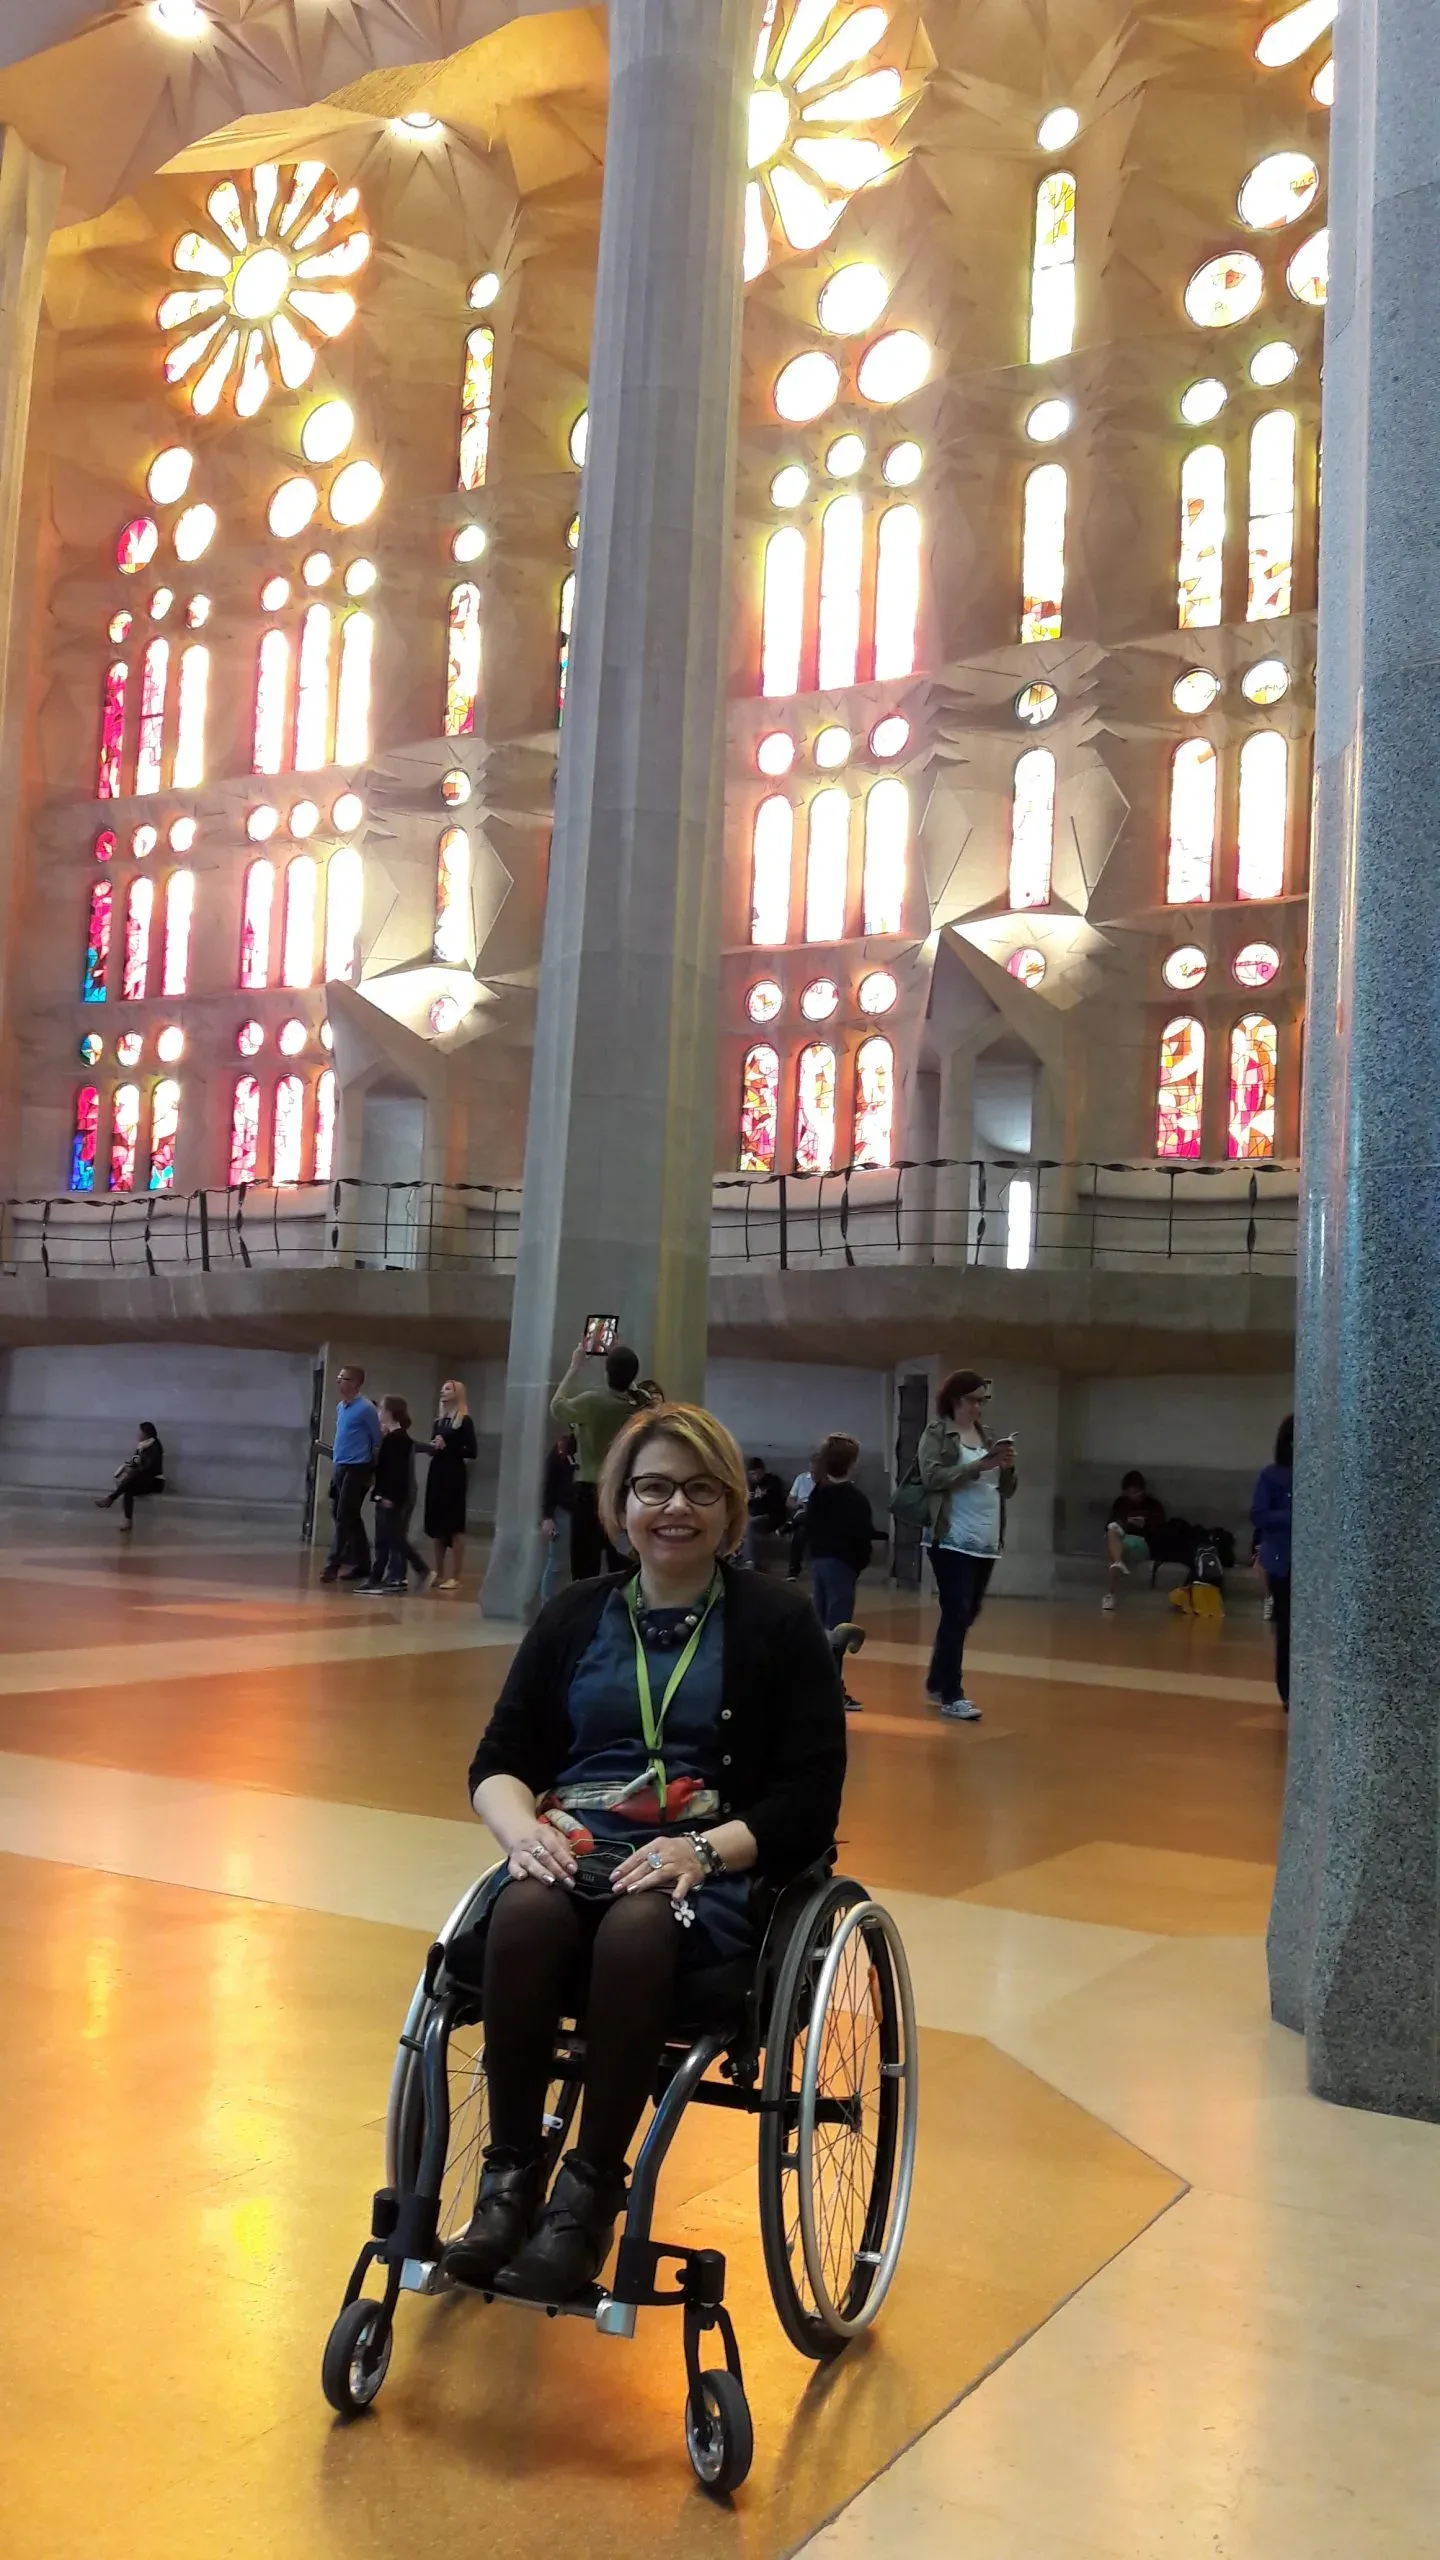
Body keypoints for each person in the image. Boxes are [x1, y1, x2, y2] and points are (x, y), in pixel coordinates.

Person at [443, 1401, 846, 2303]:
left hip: (706, 1857)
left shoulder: (779, 1622)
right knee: (525, 1913)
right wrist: (522, 1833)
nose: (675, 1508)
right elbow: (500, 1760)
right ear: (620, 1503)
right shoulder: (573, 1615)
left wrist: (700, 1851)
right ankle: (510, 2179)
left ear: (731, 1507)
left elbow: (809, 1799)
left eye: (701, 1491)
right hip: (576, 1840)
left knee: (636, 1929)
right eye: (653, 1488)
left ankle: (587, 2198)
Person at [916, 1371, 1017, 1723]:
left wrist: (1006, 1467)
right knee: (956, 1612)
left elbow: (1007, 1489)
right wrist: (979, 1465)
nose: (978, 1407)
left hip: (986, 1538)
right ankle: (952, 1693)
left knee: (967, 1613)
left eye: (982, 1401)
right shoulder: (937, 1433)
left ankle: (937, 1678)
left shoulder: (987, 1435)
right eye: (973, 1399)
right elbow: (932, 1477)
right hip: (951, 1537)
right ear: (955, 1399)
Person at [551, 1337, 646, 1580]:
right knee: (621, 1565)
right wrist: (623, 1366)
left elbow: (557, 1406)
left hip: (590, 1491)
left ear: (607, 1372)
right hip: (622, 1494)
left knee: (584, 1568)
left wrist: (575, 1366)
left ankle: (586, 1605)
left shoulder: (593, 1402)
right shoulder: (641, 1407)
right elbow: (639, 1394)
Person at [803, 1435, 877, 1711]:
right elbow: (862, 1537)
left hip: (820, 1563)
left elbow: (809, 1528)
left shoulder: (818, 1493)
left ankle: (815, 1687)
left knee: (820, 1629)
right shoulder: (854, 1499)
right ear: (851, 1463)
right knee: (838, 1631)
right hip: (842, 1567)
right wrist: (858, 1563)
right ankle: (833, 1690)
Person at [357, 1397, 431, 1594]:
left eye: (381, 1408)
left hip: (390, 1496)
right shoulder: (394, 1438)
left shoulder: (396, 1439)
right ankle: (376, 1579)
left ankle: (419, 1568)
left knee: (393, 1537)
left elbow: (395, 1472)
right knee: (385, 1538)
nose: (378, 1412)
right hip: (387, 1494)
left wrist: (388, 1495)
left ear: (390, 1412)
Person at [320, 1364, 382, 1583]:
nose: (339, 1382)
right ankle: (363, 1564)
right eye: (338, 1378)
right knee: (348, 1515)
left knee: (344, 1516)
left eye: (343, 1378)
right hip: (341, 1465)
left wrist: (372, 1471)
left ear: (355, 1383)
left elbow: (377, 1440)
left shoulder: (366, 1408)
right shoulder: (341, 1407)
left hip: (358, 1467)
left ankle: (332, 1566)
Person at [1251, 1414, 1293, 1709]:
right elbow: (1259, 1514)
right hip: (1283, 1561)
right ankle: (1288, 1692)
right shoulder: (1272, 1475)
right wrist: (1292, 1514)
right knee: (1286, 1630)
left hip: (1315, 1565)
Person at [425, 1379, 478, 1589]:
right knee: (437, 1524)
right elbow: (435, 1446)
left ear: (457, 1394)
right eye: (442, 1389)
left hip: (454, 1474)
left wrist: (448, 1447)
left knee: (454, 1524)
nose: (443, 1392)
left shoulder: (464, 1421)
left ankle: (455, 1575)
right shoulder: (438, 1422)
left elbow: (472, 1451)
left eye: (448, 1389)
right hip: (437, 1472)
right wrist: (432, 1447)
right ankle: (438, 1572)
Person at [1103, 1470, 1167, 1611]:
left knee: (1115, 1551)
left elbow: (1161, 1530)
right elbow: (1108, 1524)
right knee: (1112, 1531)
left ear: (1143, 1490)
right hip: (1119, 1536)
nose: (1133, 1496)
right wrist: (1126, 1522)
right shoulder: (1120, 1503)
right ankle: (1117, 1565)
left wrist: (1145, 1524)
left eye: (1136, 1492)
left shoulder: (1153, 1506)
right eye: (1130, 1492)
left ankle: (1110, 1593)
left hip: (1140, 1541)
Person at [95, 1422, 164, 1530]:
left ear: (146, 1433)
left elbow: (150, 1467)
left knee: (134, 1474)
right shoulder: (141, 1446)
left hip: (155, 1482)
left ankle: (110, 1498)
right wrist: (125, 1467)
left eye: (140, 1432)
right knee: (128, 1490)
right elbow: (134, 1462)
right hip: (143, 1480)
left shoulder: (155, 1446)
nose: (138, 1434)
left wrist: (135, 1469)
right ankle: (128, 1522)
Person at [539, 1432, 576, 1605]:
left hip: (582, 1510)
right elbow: (549, 1482)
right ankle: (547, 1607)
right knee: (557, 1563)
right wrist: (547, 1516)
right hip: (562, 1511)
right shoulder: (563, 1447)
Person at [741, 1454, 787, 1565]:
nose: (756, 1477)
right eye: (752, 1474)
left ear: (763, 1471)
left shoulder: (773, 1481)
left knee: (749, 1524)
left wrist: (758, 1499)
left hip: (771, 1516)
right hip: (753, 1514)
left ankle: (750, 1561)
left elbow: (774, 1504)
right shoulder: (747, 1485)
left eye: (758, 1473)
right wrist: (749, 1499)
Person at [785, 1459, 816, 1579]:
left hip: (820, 1516)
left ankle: (788, 1525)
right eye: (812, 1470)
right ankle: (793, 1569)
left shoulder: (827, 1482)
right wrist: (798, 1504)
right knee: (801, 1531)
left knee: (808, 1514)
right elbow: (789, 1501)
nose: (814, 1474)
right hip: (802, 1514)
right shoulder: (801, 1479)